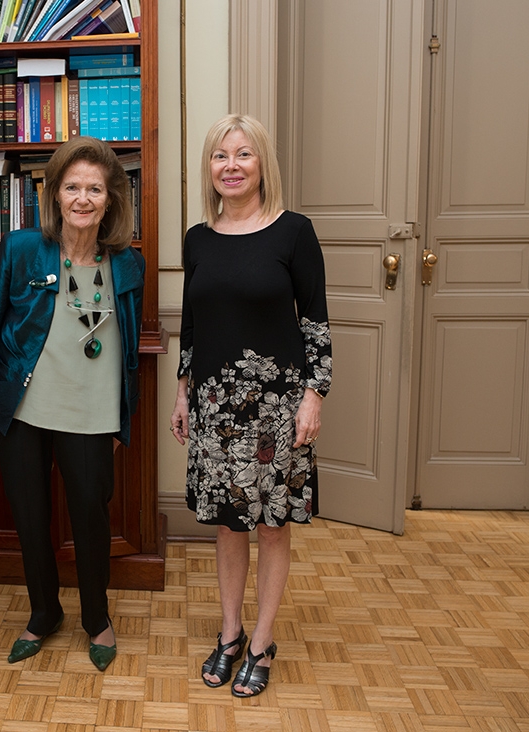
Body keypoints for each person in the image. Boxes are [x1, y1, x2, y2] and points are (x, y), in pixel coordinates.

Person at [0, 136, 145, 672]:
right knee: (30, 517)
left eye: (95, 188)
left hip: (91, 414)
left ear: (112, 198)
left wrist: (121, 420)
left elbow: (130, 350)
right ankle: (43, 612)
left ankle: (97, 618)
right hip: (23, 410)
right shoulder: (22, 250)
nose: (83, 198)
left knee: (91, 518)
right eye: (72, 187)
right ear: (55, 194)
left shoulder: (127, 265)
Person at [169, 114, 331, 698]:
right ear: (209, 168)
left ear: (262, 164)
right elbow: (191, 324)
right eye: (220, 156)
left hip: (274, 410)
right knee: (228, 526)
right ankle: (230, 631)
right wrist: (184, 391)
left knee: (271, 527)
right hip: (214, 406)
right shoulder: (198, 239)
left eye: (243, 155)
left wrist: (315, 396)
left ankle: (262, 641)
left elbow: (315, 323)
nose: (231, 166)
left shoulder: (294, 232)